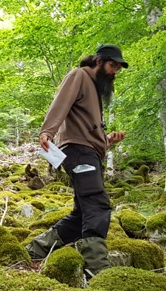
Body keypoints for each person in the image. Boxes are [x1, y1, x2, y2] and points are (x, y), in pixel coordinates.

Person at [27, 44, 128, 278]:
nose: (115, 71)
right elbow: (60, 104)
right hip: (77, 150)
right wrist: (47, 132)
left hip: (88, 151)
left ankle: (36, 249)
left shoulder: (94, 87)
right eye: (113, 65)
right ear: (99, 61)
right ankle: (97, 269)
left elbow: (87, 127)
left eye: (119, 68)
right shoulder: (79, 76)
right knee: (97, 203)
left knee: (83, 213)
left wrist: (107, 139)